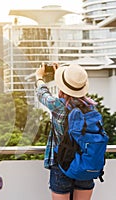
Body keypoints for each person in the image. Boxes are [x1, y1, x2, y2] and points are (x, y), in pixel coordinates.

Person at [35, 63, 96, 200]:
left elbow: (42, 94)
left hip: (62, 166)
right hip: (86, 165)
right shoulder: (91, 107)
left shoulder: (59, 106)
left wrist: (39, 77)